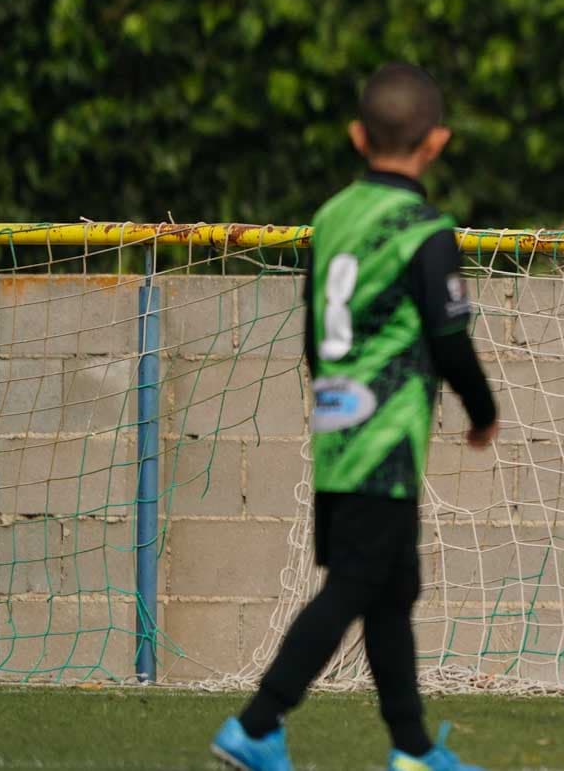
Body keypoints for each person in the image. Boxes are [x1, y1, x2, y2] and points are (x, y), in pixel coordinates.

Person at [211, 64, 497, 771]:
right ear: (437, 142)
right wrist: (483, 407)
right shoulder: (425, 228)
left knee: (392, 588)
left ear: (357, 136)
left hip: (339, 427)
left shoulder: (332, 215)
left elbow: (313, 328)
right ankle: (257, 720)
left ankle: (412, 747)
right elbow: (448, 336)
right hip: (386, 436)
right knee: (355, 585)